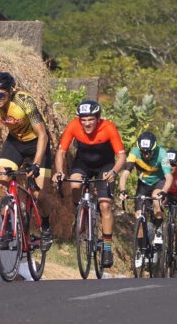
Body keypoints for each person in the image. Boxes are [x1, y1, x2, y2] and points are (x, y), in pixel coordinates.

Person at [0, 71, 54, 249]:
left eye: (0, 94)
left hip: (37, 144)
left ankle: (46, 226)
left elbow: (42, 135)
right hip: (15, 144)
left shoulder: (24, 101)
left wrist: (37, 163)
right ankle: (8, 230)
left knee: (39, 194)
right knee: (1, 184)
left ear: (10, 91)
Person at [52, 100, 126, 269]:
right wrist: (59, 172)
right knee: (75, 185)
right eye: (83, 120)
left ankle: (107, 248)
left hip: (105, 166)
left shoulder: (108, 128)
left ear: (98, 118)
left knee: (105, 206)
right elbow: (61, 152)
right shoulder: (73, 126)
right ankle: (81, 208)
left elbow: (122, 156)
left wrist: (113, 172)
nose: (86, 123)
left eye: (90, 119)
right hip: (83, 163)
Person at [118, 131, 173, 254]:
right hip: (143, 184)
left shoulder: (162, 153)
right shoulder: (134, 152)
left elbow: (169, 177)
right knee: (138, 215)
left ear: (153, 149)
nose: (146, 155)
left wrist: (164, 191)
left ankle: (158, 230)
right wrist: (122, 189)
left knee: (156, 198)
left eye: (148, 152)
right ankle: (141, 249)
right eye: (143, 152)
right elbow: (125, 174)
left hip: (159, 182)